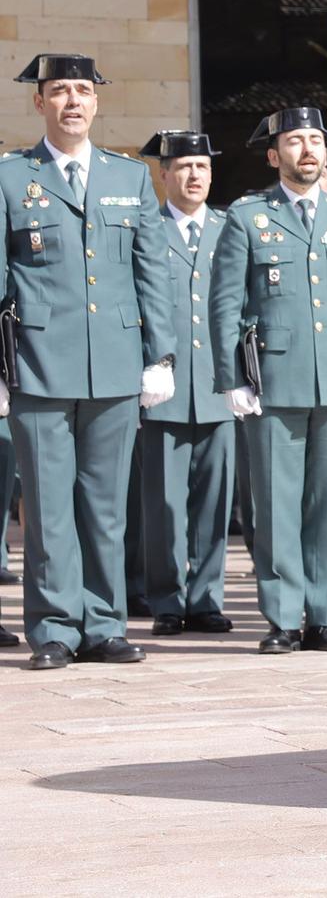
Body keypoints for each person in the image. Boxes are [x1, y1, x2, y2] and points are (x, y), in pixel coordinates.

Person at [1, 54, 177, 666]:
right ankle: (53, 628)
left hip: (115, 363)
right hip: (39, 364)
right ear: (39, 103)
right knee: (49, 508)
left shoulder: (128, 178)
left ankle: (104, 624)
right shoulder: (9, 176)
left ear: (96, 102)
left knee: (105, 507)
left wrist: (163, 356)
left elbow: (151, 272)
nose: (72, 101)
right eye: (59, 92)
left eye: (82, 91)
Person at [210, 106, 327, 655]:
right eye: (294, 142)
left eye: (315, 140)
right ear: (273, 155)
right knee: (275, 504)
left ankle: (325, 615)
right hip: (274, 381)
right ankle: (284, 618)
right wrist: (231, 377)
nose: (308, 150)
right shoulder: (246, 217)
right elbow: (225, 303)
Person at [137, 129, 236, 637]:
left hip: (219, 389)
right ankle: (167, 599)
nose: (194, 176)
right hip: (166, 389)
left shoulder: (228, 228)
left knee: (214, 502)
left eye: (202, 167)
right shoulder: (146, 228)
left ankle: (206, 598)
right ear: (163, 174)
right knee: (164, 503)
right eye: (183, 167)